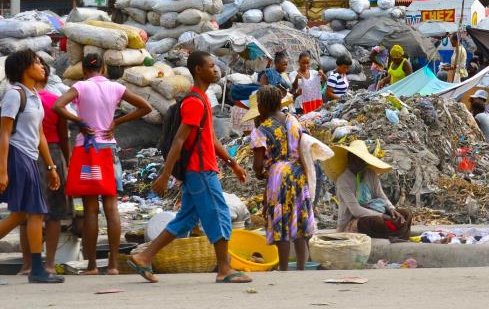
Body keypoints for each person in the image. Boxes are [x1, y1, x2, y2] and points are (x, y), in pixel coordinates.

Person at [128, 51, 252, 284]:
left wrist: (232, 162)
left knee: (185, 219)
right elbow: (179, 140)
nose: (216, 70)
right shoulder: (195, 102)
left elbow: (211, 138)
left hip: (200, 170)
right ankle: (225, 269)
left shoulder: (203, 99)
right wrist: (165, 174)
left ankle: (144, 257)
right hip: (200, 170)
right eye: (211, 66)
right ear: (198, 70)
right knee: (219, 213)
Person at [53, 53, 151, 276]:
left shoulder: (80, 86)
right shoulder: (115, 88)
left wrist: (79, 121)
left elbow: (58, 106)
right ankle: (114, 265)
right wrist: (117, 121)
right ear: (104, 69)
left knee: (90, 209)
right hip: (108, 149)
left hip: (86, 150)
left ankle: (92, 266)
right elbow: (145, 107)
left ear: (84, 70)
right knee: (111, 207)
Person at [0, 50, 65, 283]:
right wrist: (3, 170)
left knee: (21, 214)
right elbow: (4, 134)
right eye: (36, 62)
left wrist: (51, 167)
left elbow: (40, 136)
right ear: (24, 68)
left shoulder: (35, 95)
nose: (42, 66)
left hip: (30, 157)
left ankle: (37, 269)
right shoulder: (14, 95)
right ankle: (37, 270)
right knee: (34, 212)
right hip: (17, 156)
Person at [247, 86, 316, 271]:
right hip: (297, 171)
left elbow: (258, 164)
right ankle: (302, 266)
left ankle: (284, 268)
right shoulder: (293, 120)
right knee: (299, 218)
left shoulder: (261, 130)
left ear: (262, 106)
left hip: (278, 176)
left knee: (282, 221)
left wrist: (259, 173)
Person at [19, 62, 70, 276]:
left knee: (25, 213)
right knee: (54, 213)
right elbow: (63, 134)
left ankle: (27, 265)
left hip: (24, 155)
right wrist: (66, 162)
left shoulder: (19, 99)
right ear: (47, 79)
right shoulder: (54, 102)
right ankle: (49, 264)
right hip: (53, 154)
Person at [323, 139, 411, 240]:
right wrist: (383, 216)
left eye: (362, 160)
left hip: (377, 211)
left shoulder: (370, 174)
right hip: (354, 221)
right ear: (349, 159)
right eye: (356, 159)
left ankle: (396, 234)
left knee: (406, 214)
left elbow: (381, 195)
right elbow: (356, 210)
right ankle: (398, 233)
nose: (360, 163)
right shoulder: (343, 181)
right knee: (375, 222)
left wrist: (392, 210)